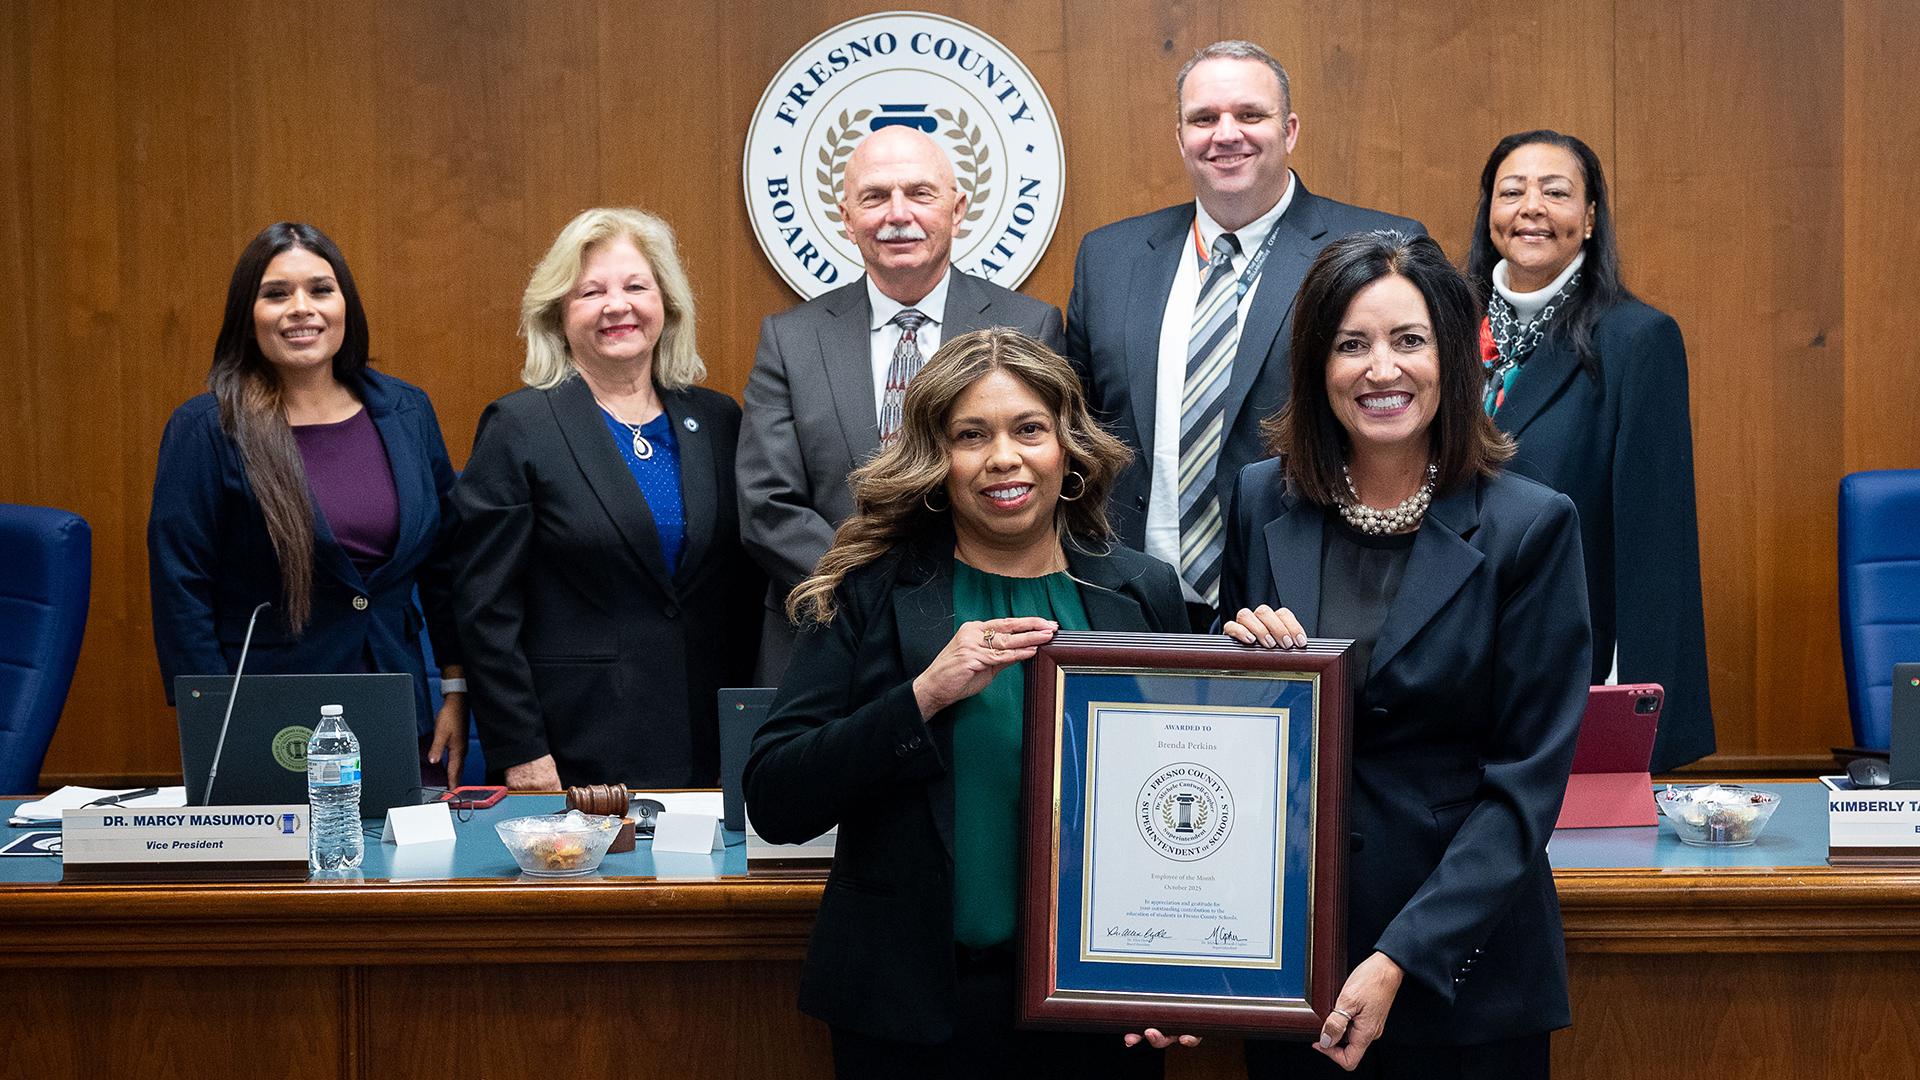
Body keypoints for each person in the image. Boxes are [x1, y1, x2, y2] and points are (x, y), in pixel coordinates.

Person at [744, 329, 1190, 1079]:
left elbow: (1182, 796)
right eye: (970, 436)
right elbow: (777, 798)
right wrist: (922, 695)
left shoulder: (1140, 592)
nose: (1004, 458)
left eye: (1029, 430)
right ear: (936, 460)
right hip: (913, 1017)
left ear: (1068, 447)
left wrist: (1177, 977)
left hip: (1094, 1012)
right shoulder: (872, 591)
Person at [1219, 232, 1590, 1077]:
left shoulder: (1530, 526)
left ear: (1452, 358)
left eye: (1408, 341)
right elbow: (1235, 735)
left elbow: (1523, 791)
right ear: (1318, 365)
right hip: (1291, 965)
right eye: (1352, 344)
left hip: (1463, 973)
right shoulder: (1259, 500)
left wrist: (1399, 959)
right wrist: (1232, 665)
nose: (1380, 369)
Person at [1067, 40, 1423, 629]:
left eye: (1249, 115)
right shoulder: (1110, 257)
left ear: (1289, 129)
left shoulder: (1377, 247)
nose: (1225, 134)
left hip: (1303, 592)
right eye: (1203, 118)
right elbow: (1075, 428)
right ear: (1180, 136)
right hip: (1128, 595)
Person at [738, 125, 1066, 685]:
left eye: (919, 193)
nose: (897, 214)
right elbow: (767, 504)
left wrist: (945, 588)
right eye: (874, 197)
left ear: (958, 207)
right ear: (845, 216)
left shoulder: (1029, 325)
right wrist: (869, 589)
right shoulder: (790, 340)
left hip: (984, 624)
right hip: (827, 631)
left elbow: (1048, 481)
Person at [149, 222, 469, 785]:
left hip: (397, 702)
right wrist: (215, 721)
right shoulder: (206, 428)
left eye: (321, 290)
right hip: (266, 716)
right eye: (276, 294)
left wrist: (455, 686)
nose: (302, 308)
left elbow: (446, 567)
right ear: (248, 315)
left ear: (346, 305)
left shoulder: (407, 410)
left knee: (402, 871)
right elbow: (181, 587)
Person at [451, 208, 760, 790]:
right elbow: (484, 607)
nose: (617, 306)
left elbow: (739, 590)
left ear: (665, 304)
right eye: (590, 292)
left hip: (710, 739)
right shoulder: (520, 426)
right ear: (558, 315)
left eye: (635, 286)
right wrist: (521, 749)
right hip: (574, 747)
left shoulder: (718, 419)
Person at [1467, 129, 1714, 771]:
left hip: (1564, 650)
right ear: (1489, 210)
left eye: (1557, 192)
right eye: (1512, 191)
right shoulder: (1438, 328)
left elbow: (1655, 539)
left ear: (1591, 217)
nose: (1532, 208)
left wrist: (1641, 713)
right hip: (1447, 649)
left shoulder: (1637, 339)